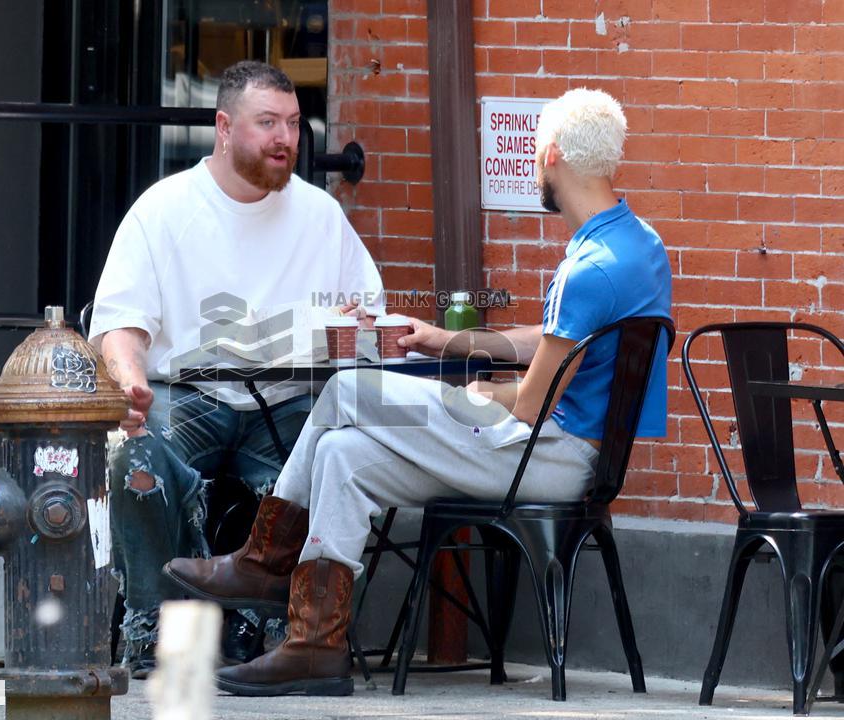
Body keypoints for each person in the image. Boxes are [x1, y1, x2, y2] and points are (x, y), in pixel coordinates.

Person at [163, 87, 673, 697]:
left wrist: (480, 393)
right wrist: (443, 342)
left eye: (538, 149)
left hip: (546, 455)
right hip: (569, 453)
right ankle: (316, 646)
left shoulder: (586, 271)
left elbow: (531, 401)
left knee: (349, 390)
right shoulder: (638, 244)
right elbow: (553, 340)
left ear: (554, 155)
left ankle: (265, 560)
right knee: (342, 456)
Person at [88, 60, 385, 677]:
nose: (285, 139)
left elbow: (370, 326)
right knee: (131, 456)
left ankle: (281, 630)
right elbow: (121, 324)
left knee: (335, 454)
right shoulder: (164, 209)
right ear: (224, 127)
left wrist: (359, 327)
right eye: (267, 123)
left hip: (288, 398)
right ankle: (155, 627)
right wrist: (130, 379)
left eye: (294, 124)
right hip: (184, 393)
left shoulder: (320, 216)